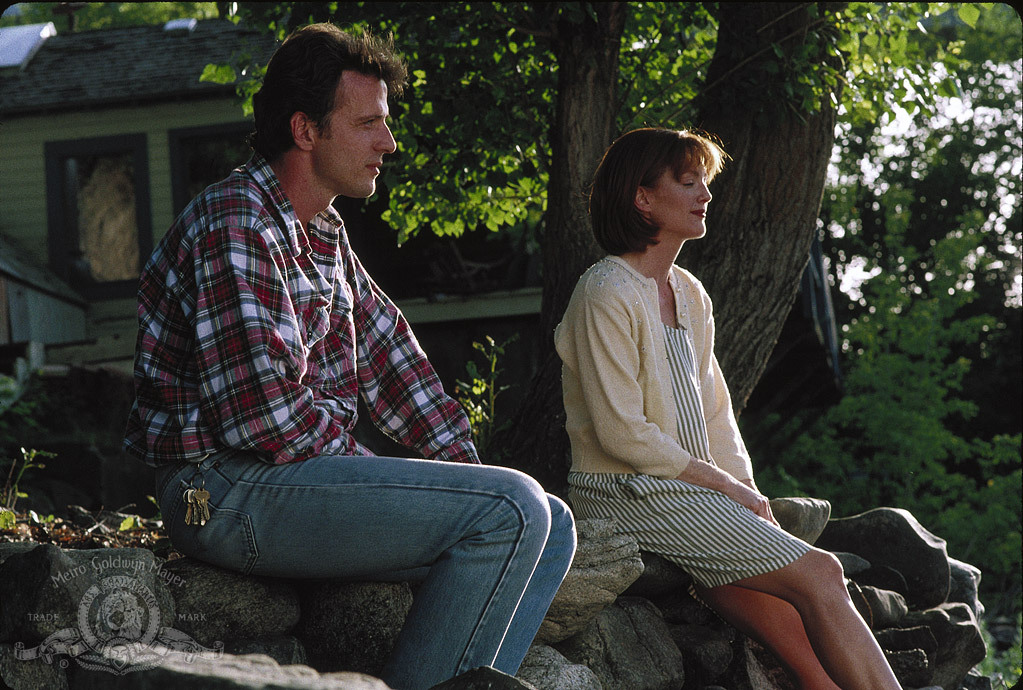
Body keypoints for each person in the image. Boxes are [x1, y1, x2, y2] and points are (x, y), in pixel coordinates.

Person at [124, 23, 575, 690]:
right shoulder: (237, 223)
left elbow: (400, 372)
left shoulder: (323, 233)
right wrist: (390, 479)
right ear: (305, 131)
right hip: (216, 492)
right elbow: (263, 421)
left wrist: (464, 481)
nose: (387, 143)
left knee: (547, 523)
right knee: (510, 511)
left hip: (283, 478)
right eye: (367, 124)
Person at [554, 127, 901, 690]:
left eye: (705, 182)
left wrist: (746, 491)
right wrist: (727, 490)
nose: (705, 195)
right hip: (622, 491)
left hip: (688, 491)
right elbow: (621, 434)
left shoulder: (689, 292)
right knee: (822, 571)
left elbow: (716, 412)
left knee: (769, 603)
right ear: (642, 199)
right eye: (687, 182)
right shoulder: (605, 290)